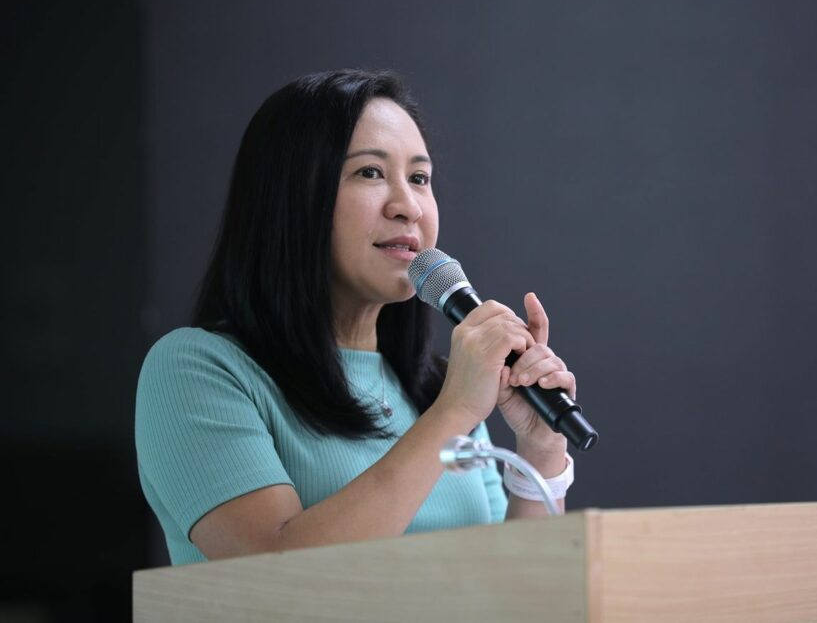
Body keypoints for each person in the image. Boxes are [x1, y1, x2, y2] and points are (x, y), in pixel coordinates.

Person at [135, 70, 578, 565]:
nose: (408, 207)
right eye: (370, 172)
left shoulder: (436, 389)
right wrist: (454, 412)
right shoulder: (196, 370)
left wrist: (539, 452)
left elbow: (515, 585)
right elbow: (272, 571)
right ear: (291, 196)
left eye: (419, 178)